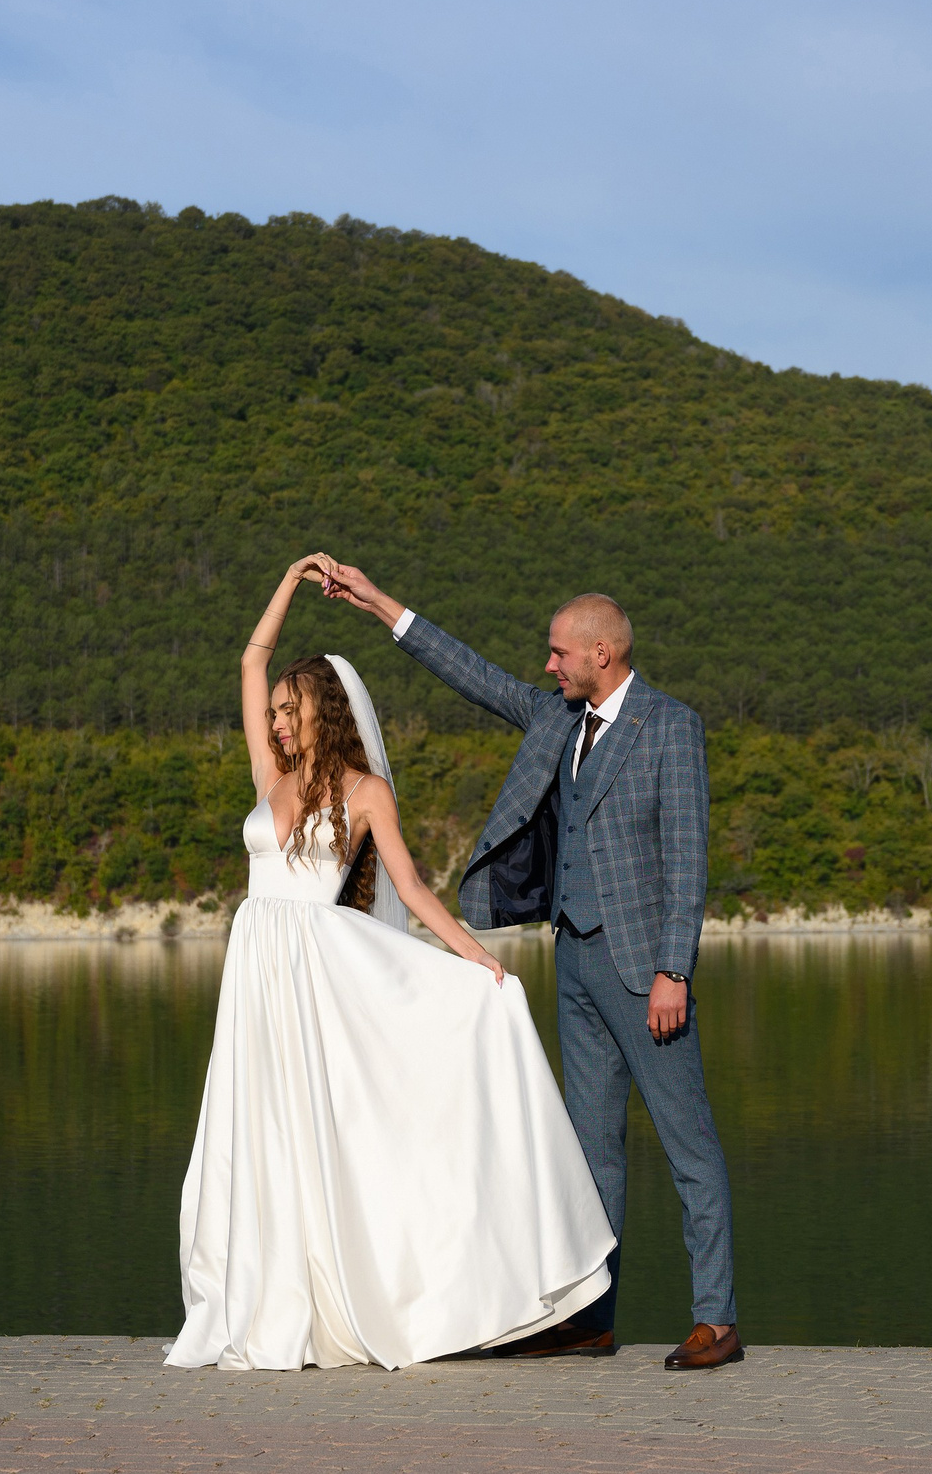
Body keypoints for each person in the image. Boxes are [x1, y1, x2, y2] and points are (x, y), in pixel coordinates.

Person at [166, 555, 615, 1372]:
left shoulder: (368, 792)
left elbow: (410, 889)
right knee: (254, 1126)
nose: (274, 723)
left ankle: (361, 1288)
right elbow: (249, 658)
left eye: (287, 711)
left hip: (318, 971)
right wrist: (289, 582)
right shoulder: (271, 777)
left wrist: (480, 960)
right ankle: (264, 1291)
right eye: (271, 713)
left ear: (321, 711)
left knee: (323, 1129)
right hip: (255, 969)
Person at [321, 564, 742, 1370]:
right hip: (575, 960)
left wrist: (673, 970)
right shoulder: (557, 719)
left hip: (642, 970)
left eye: (559, 653)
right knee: (590, 1154)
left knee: (690, 1145)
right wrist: (381, 605)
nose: (548, 666)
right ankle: (591, 1316)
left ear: (604, 651)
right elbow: (472, 674)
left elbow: (688, 862)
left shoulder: (670, 726)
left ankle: (716, 1318)